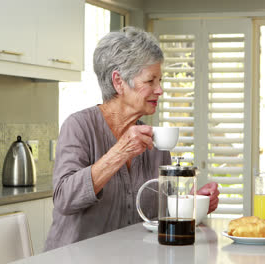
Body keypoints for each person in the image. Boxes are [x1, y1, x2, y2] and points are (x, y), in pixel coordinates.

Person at [45, 27, 220, 250]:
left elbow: (163, 213)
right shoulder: (79, 126)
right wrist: (121, 152)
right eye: (150, 81)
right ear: (119, 81)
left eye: (160, 80)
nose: (160, 90)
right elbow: (64, 199)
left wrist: (192, 202)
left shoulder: (156, 141)